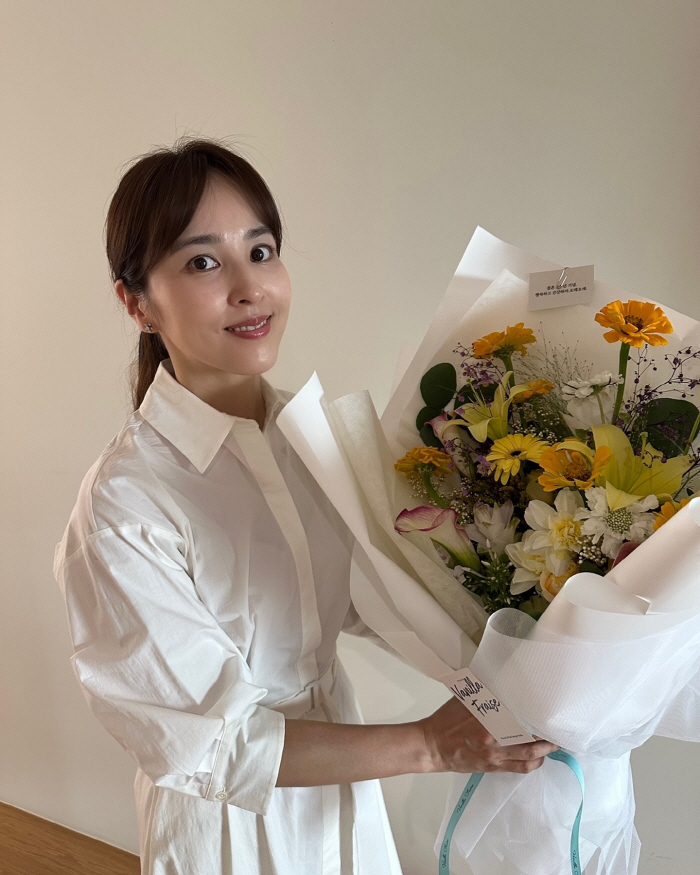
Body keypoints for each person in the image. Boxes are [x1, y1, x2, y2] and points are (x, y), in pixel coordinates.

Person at [54, 138, 557, 875]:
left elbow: (377, 597)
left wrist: (537, 636)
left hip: (343, 796)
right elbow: (212, 745)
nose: (249, 287)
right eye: (202, 262)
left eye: (260, 251)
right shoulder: (125, 501)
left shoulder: (313, 440)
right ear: (137, 303)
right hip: (228, 828)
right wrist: (429, 743)